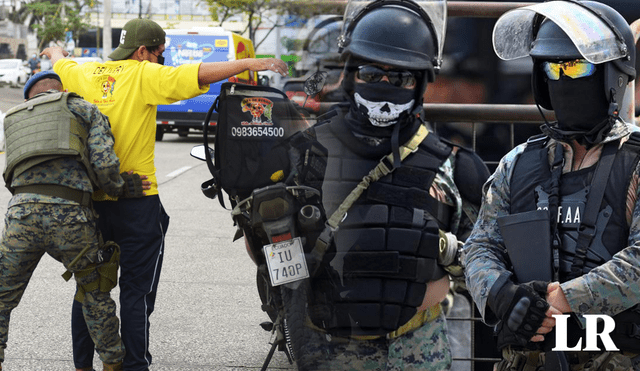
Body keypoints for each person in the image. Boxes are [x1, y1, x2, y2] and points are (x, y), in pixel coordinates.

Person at [40, 18, 288, 371]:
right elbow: (199, 73)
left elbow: (60, 61)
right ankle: (135, 366)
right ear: (143, 52)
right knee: (135, 294)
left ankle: (83, 365)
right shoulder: (145, 75)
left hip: (91, 204)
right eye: (160, 53)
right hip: (137, 205)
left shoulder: (85, 73)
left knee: (89, 290)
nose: (163, 60)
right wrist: (251, 63)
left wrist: (52, 50)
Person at [279, 0, 490, 369]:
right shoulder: (306, 154)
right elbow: (270, 256)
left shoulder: (454, 167)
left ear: (420, 82)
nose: (384, 86)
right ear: (349, 73)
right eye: (371, 73)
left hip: (416, 350)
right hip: (326, 349)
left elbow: (485, 259)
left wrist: (441, 249)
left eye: (401, 78)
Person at [464, 1, 640, 370]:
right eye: (553, 68)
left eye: (576, 66)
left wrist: (564, 298)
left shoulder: (635, 160)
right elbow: (480, 246)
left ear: (612, 77)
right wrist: (503, 295)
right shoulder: (519, 162)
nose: (563, 79)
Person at [0, 71, 149, 370]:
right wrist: (120, 188)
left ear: (31, 99)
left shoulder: (13, 117)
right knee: (95, 294)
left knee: (1, 299)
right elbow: (105, 165)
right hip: (72, 218)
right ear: (61, 90)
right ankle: (112, 363)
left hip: (21, 216)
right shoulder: (83, 108)